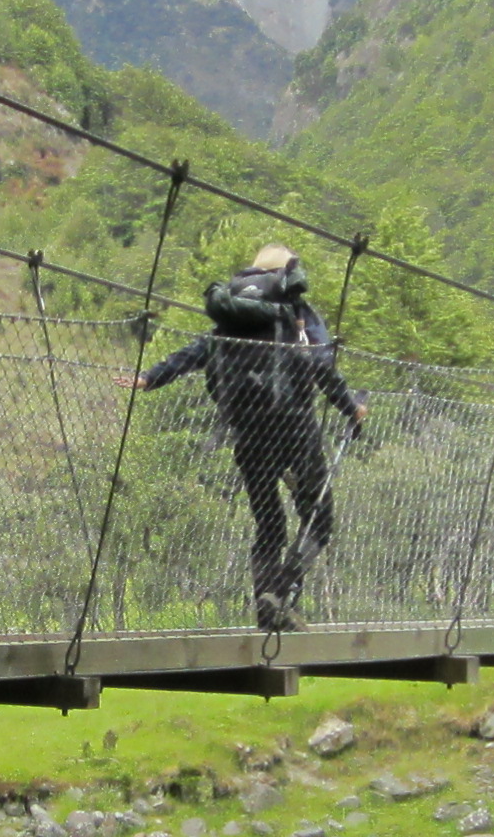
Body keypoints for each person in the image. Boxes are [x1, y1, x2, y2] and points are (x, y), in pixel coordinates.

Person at [135, 241, 369, 631]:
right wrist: (352, 407)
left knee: (269, 523)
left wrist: (150, 377)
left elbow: (198, 350)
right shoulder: (293, 309)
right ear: (288, 271)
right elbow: (320, 364)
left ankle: (266, 608)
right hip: (295, 429)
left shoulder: (232, 314)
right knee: (319, 519)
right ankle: (280, 592)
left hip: (246, 430)